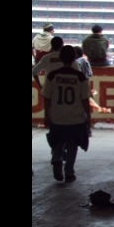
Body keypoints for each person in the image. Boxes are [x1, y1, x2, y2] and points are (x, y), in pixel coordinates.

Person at [42, 45, 90, 183]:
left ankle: (57, 159)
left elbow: (47, 98)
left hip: (57, 115)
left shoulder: (52, 75)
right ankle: (69, 172)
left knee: (58, 141)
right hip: (75, 117)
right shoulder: (80, 77)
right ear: (74, 58)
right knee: (72, 144)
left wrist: (47, 115)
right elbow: (85, 99)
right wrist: (88, 117)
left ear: (60, 58)